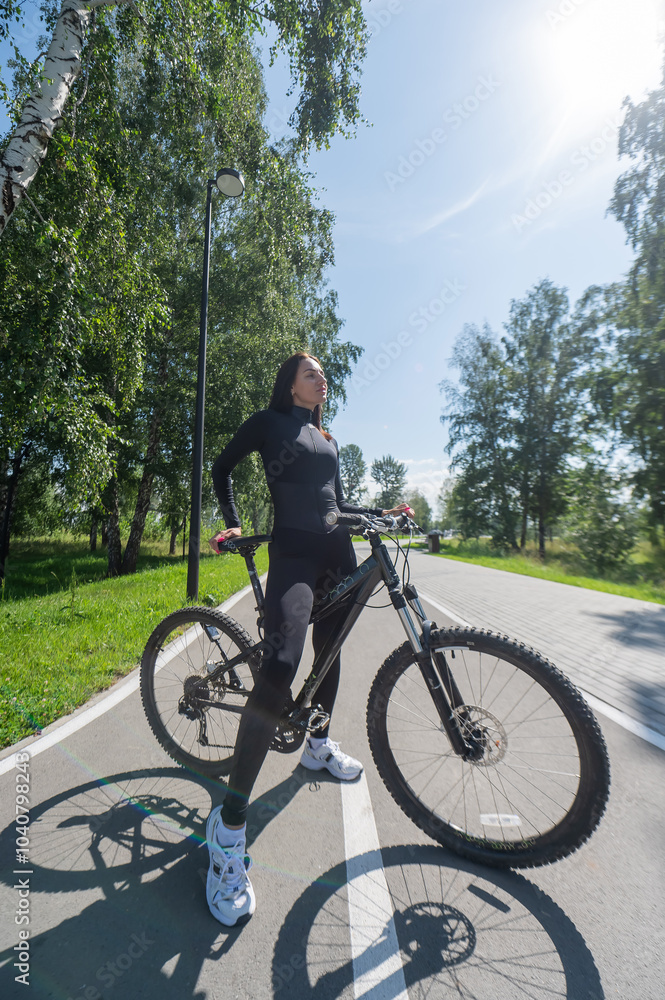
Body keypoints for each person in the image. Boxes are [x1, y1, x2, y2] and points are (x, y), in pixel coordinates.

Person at [205, 351, 409, 927]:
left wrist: (381, 512)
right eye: (311, 371)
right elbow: (222, 467)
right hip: (293, 554)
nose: (322, 378)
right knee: (283, 664)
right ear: (290, 382)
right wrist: (234, 519)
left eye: (323, 374)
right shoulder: (270, 424)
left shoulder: (326, 435)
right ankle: (228, 828)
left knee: (332, 650)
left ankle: (315, 745)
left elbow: (337, 505)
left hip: (335, 550)